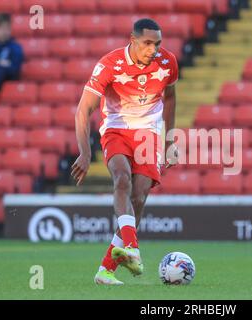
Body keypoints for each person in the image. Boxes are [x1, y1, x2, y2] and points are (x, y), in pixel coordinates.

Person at [72, 18, 179, 285]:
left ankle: (106, 270)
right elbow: (84, 110)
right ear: (132, 40)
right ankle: (132, 248)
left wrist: (169, 142)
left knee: (139, 198)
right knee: (121, 179)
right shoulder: (109, 64)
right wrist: (85, 153)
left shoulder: (167, 62)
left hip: (149, 133)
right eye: (147, 43)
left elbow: (171, 97)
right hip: (117, 128)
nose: (153, 49)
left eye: (157, 44)